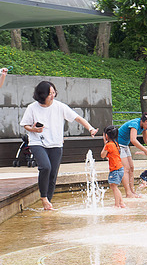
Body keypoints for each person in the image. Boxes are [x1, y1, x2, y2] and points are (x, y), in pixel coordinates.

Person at [20, 80, 99, 210]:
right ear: (41, 95)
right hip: (37, 142)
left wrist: (90, 128)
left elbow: (77, 118)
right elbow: (25, 125)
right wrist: (33, 129)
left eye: (54, 92)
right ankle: (43, 197)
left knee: (53, 174)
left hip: (55, 144)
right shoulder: (32, 108)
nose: (53, 95)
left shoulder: (59, 106)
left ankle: (48, 203)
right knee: (45, 167)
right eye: (49, 93)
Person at [117, 113, 147, 199]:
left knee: (131, 168)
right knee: (126, 168)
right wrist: (146, 150)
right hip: (118, 145)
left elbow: (146, 139)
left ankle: (132, 191)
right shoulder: (135, 124)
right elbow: (133, 140)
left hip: (125, 145)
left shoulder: (144, 127)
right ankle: (128, 193)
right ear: (146, 121)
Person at [101, 126, 125, 208]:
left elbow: (102, 155)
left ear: (106, 136)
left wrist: (105, 144)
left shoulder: (108, 145)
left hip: (115, 169)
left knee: (114, 187)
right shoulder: (115, 144)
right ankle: (121, 203)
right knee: (114, 186)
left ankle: (117, 204)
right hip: (120, 168)